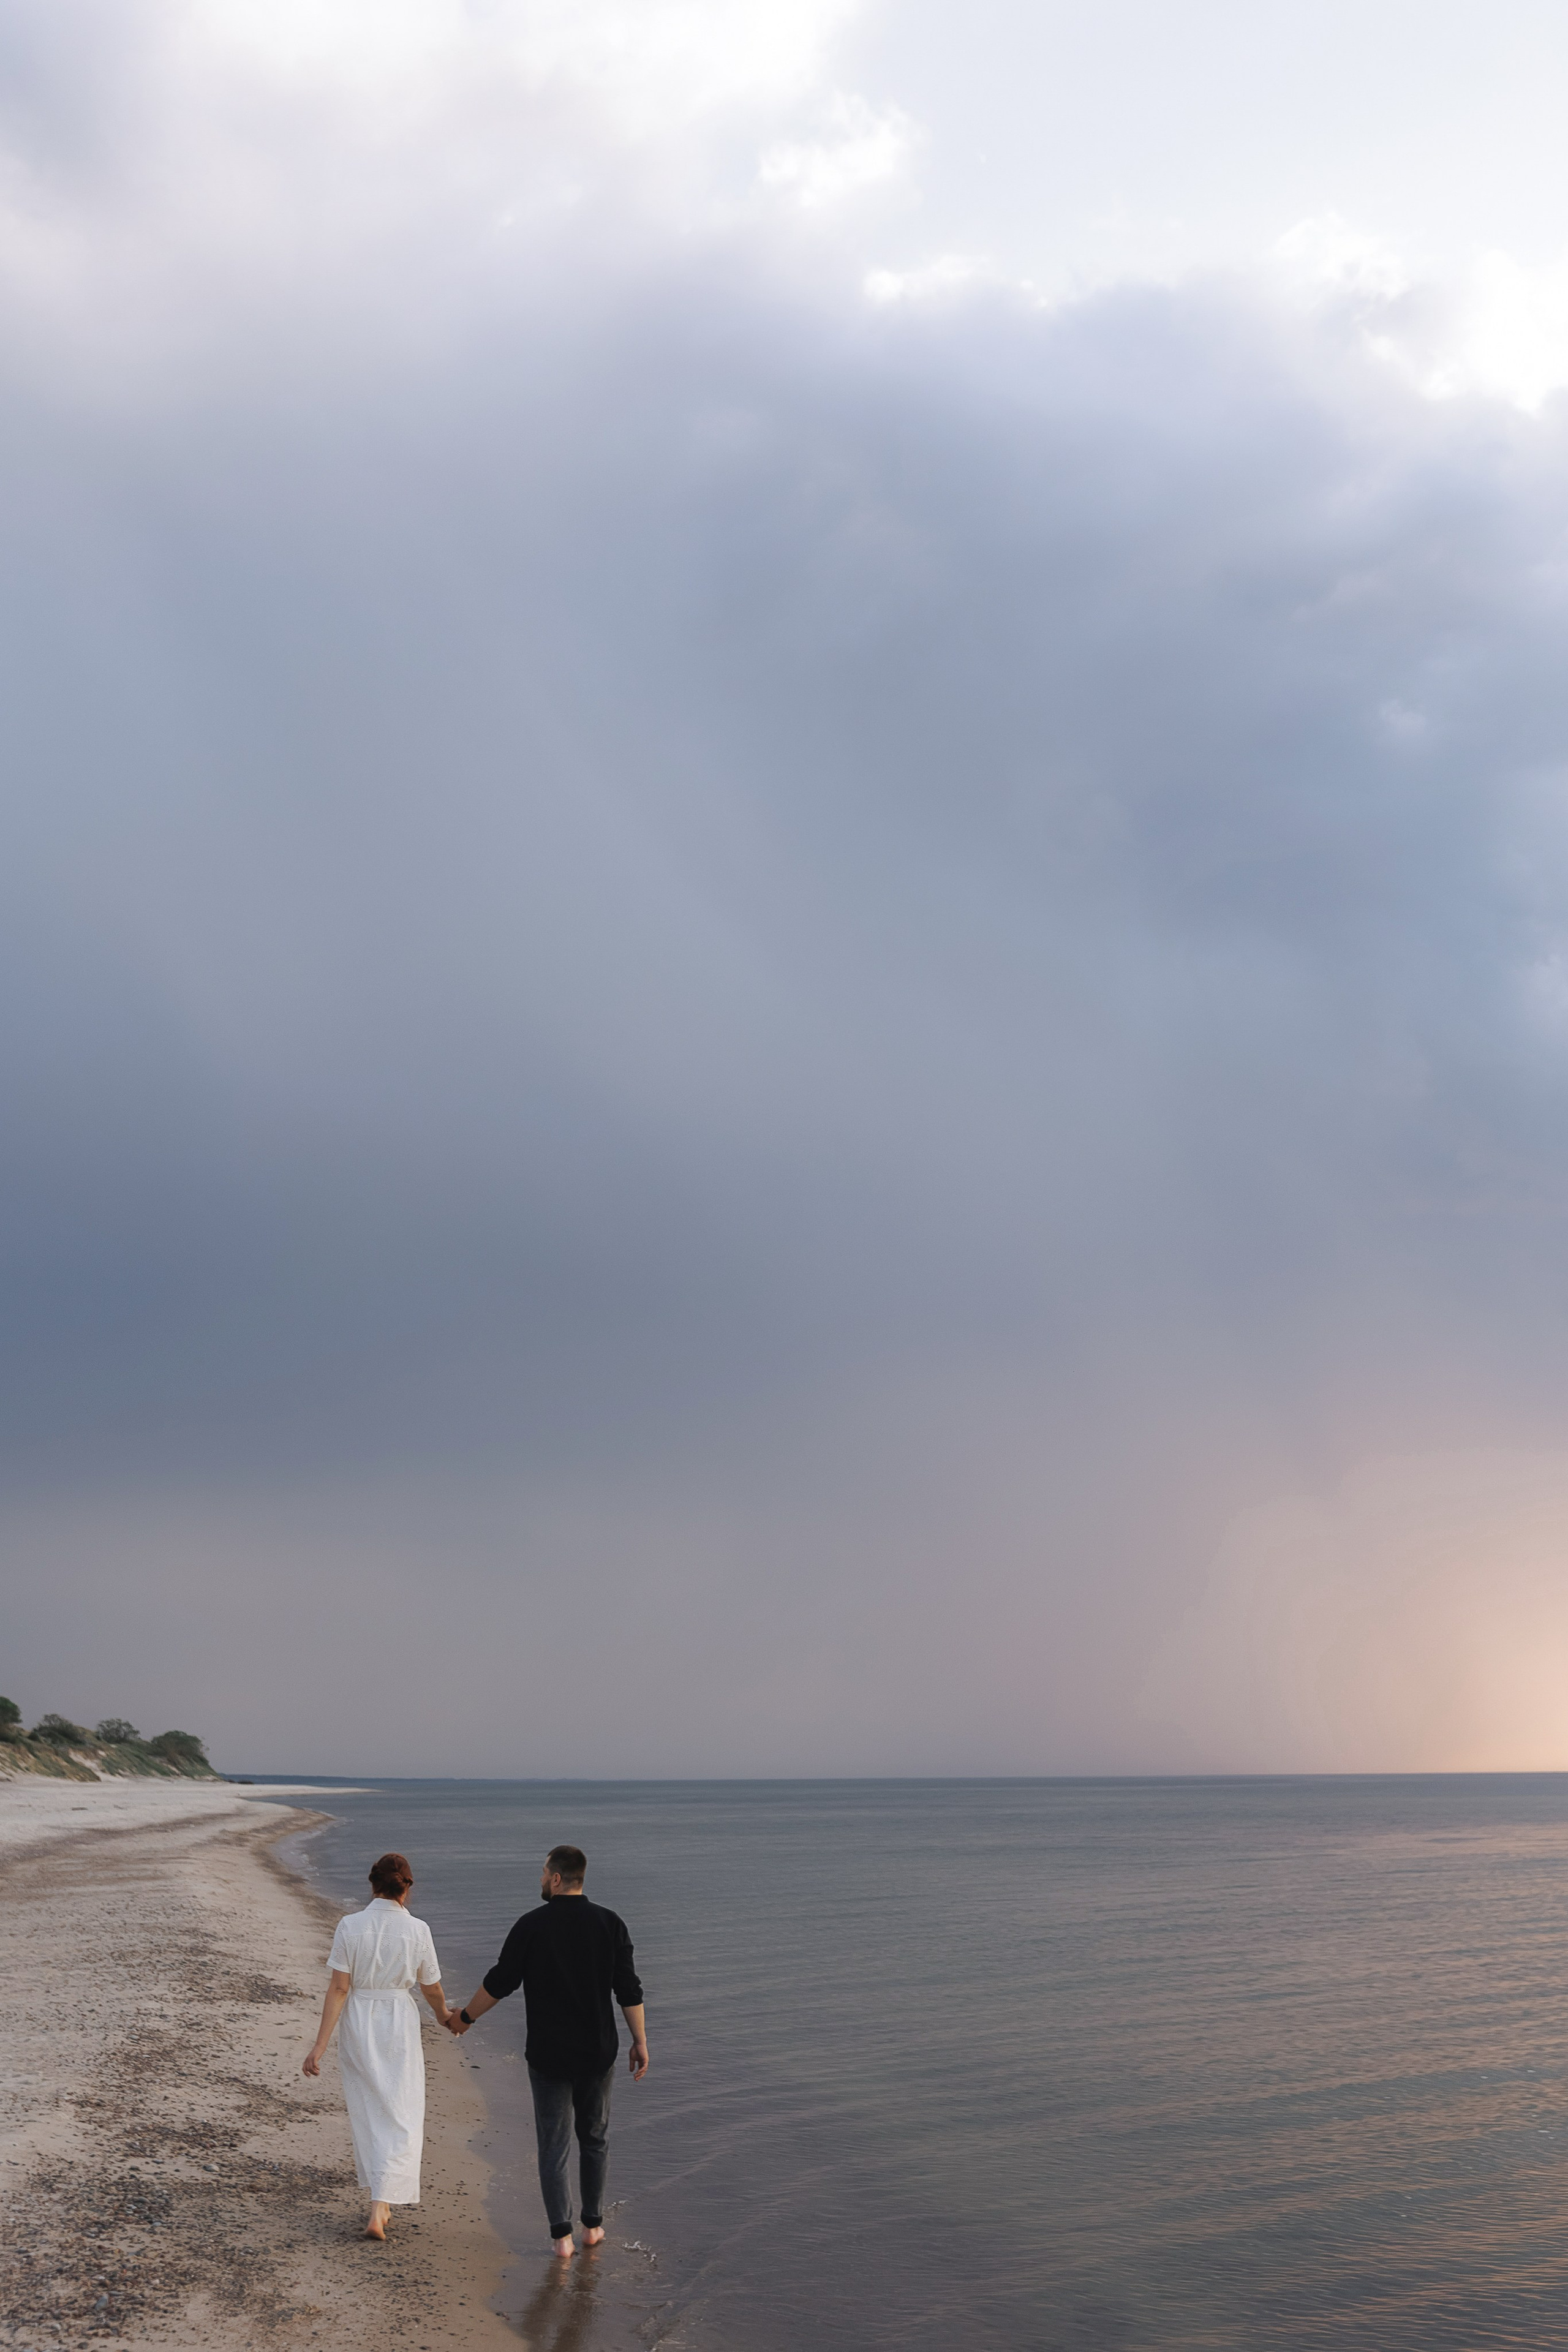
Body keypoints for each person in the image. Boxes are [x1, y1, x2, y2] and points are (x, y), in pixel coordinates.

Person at [446, 1843, 648, 2258]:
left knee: (553, 2145)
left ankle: (561, 2238)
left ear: (556, 1878)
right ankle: (592, 2227)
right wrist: (640, 2042)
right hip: (598, 2054)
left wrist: (464, 2019)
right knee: (595, 2139)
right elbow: (628, 1990)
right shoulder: (610, 1924)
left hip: (549, 2055)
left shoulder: (531, 1926)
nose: (540, 1879)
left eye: (543, 1873)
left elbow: (501, 1981)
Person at [303, 1850, 451, 2240]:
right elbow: (430, 1987)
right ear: (407, 1888)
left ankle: (378, 2206)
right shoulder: (418, 1930)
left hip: (359, 2020)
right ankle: (381, 2206)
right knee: (401, 2110)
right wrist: (446, 2017)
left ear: (373, 1884)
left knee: (369, 2110)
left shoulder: (350, 1926)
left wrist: (319, 2046)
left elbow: (339, 1988)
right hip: (398, 2020)